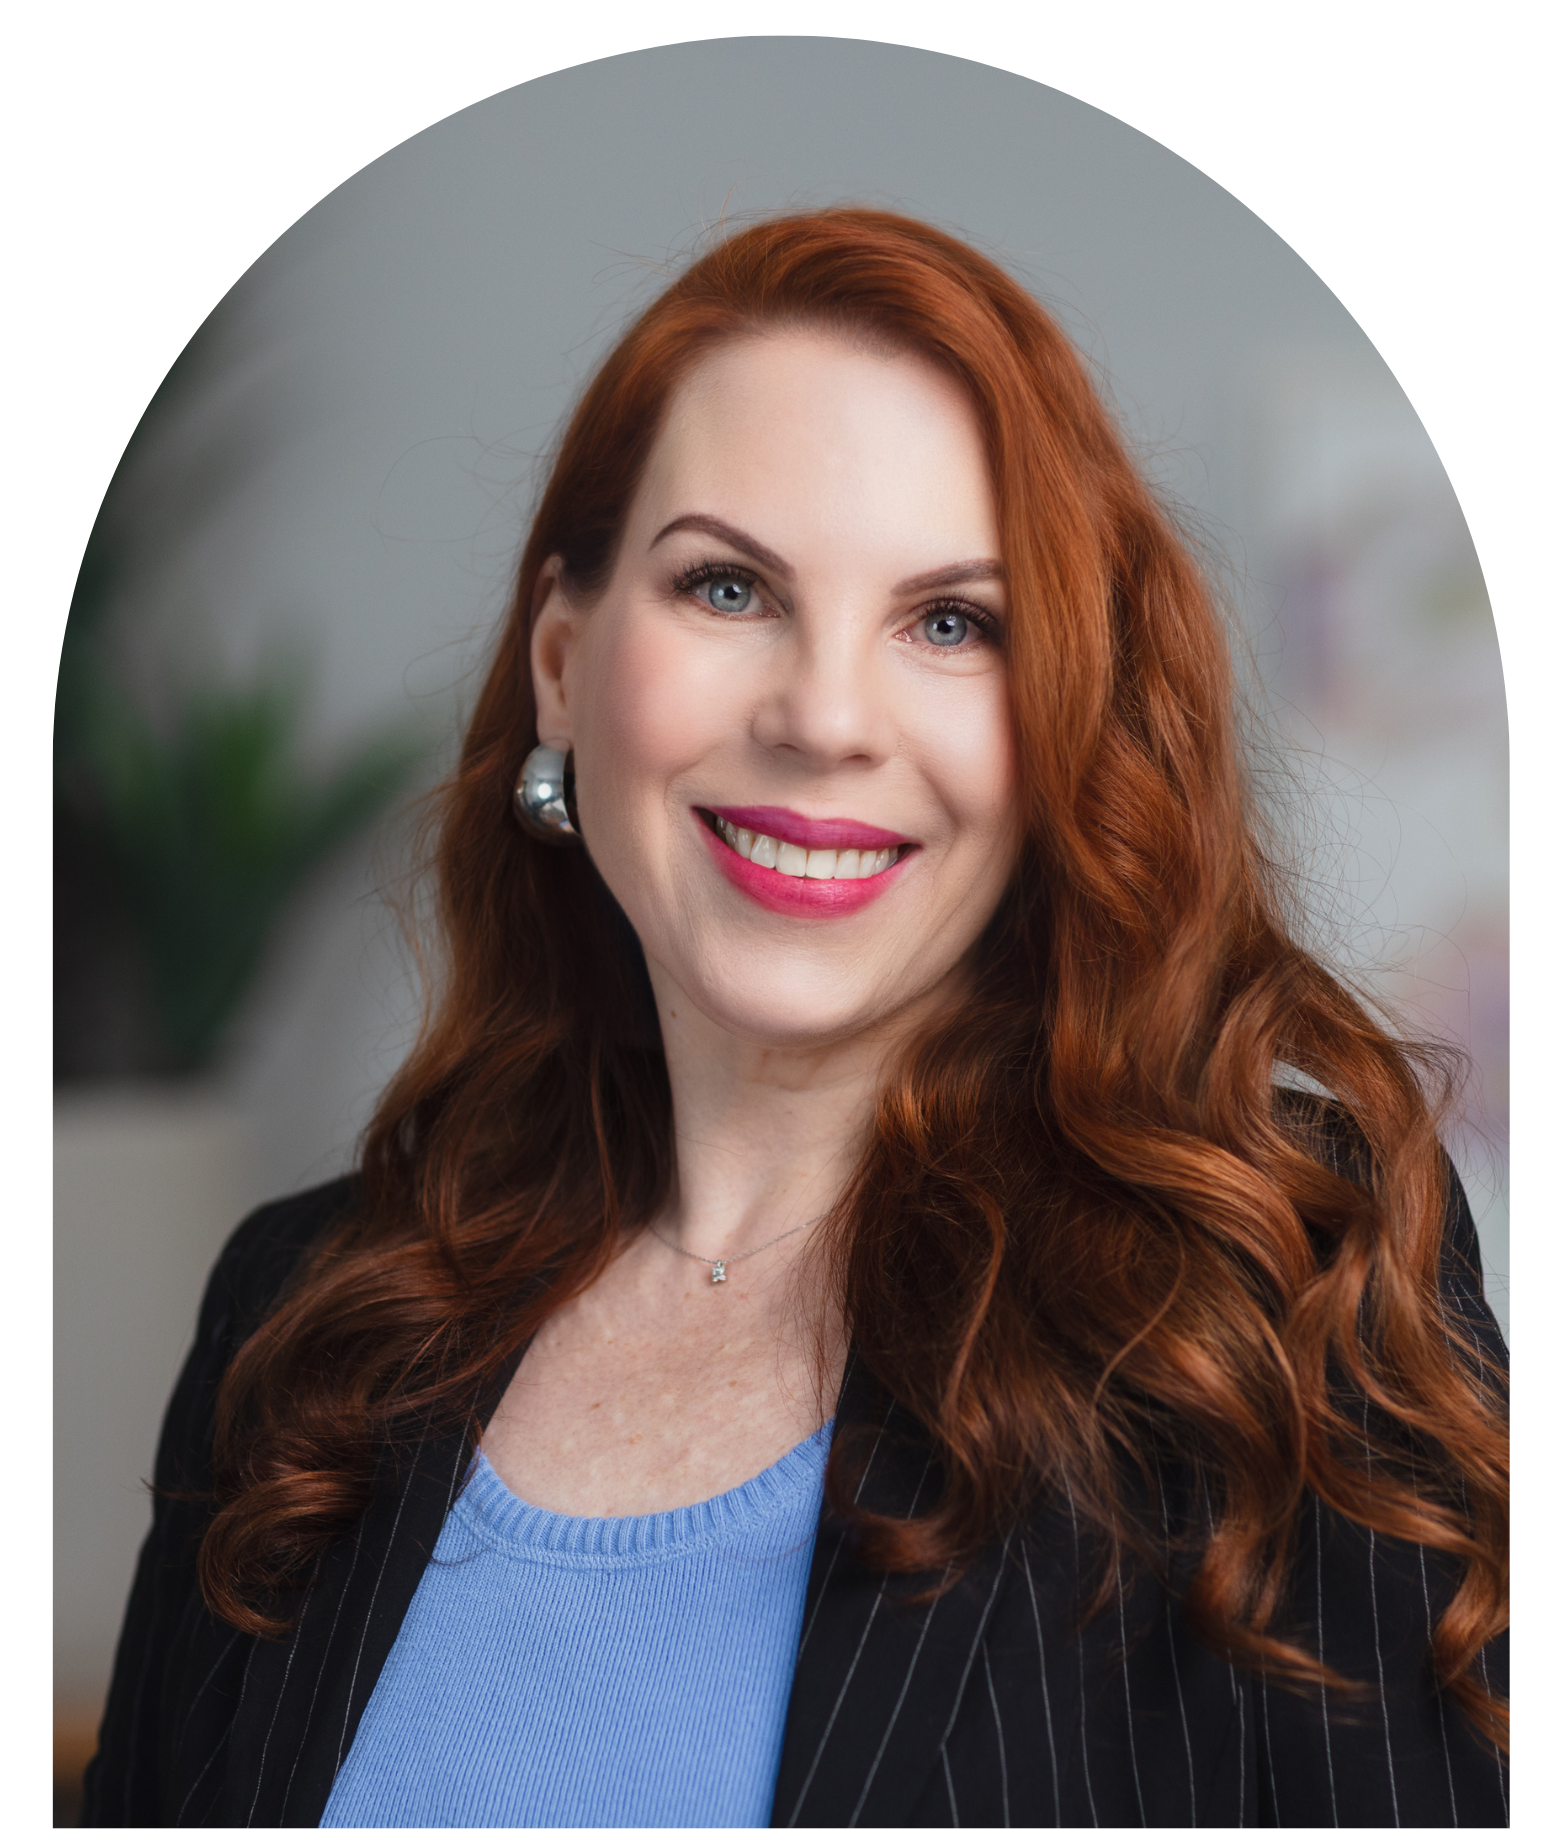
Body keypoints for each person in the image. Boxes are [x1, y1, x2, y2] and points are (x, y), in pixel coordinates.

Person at [82, 208, 1508, 1829]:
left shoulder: (1271, 1290)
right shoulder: (300, 1311)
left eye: (951, 622)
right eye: (727, 586)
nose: (824, 717)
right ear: (564, 662)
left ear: (1061, 724)